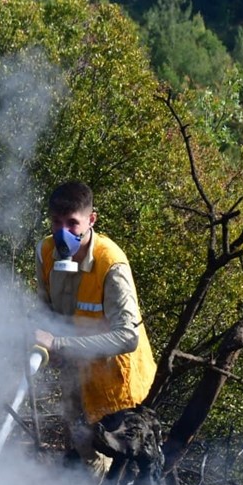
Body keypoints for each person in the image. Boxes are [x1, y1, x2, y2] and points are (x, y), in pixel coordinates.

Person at [34, 181, 156, 463]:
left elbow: (128, 337)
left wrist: (59, 343)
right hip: (76, 373)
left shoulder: (111, 264)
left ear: (91, 220)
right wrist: (49, 344)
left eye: (72, 223)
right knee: (83, 453)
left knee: (121, 466)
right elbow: (46, 310)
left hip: (116, 386)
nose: (63, 232)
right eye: (56, 222)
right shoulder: (45, 252)